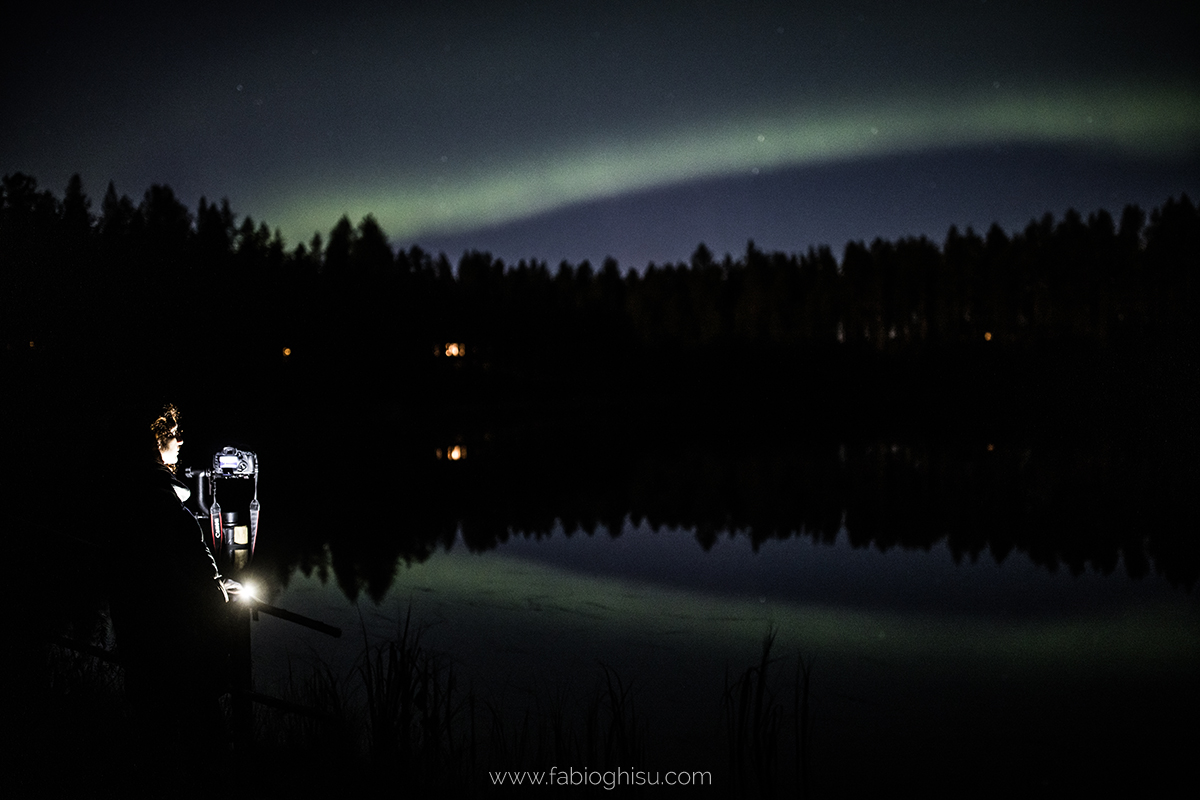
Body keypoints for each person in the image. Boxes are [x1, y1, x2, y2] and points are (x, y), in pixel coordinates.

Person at [109, 402, 241, 783]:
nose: (181, 439)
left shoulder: (129, 491)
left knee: (157, 742)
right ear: (153, 439)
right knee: (201, 746)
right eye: (172, 432)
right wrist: (220, 593)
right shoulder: (157, 498)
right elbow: (189, 561)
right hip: (177, 652)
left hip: (142, 645)